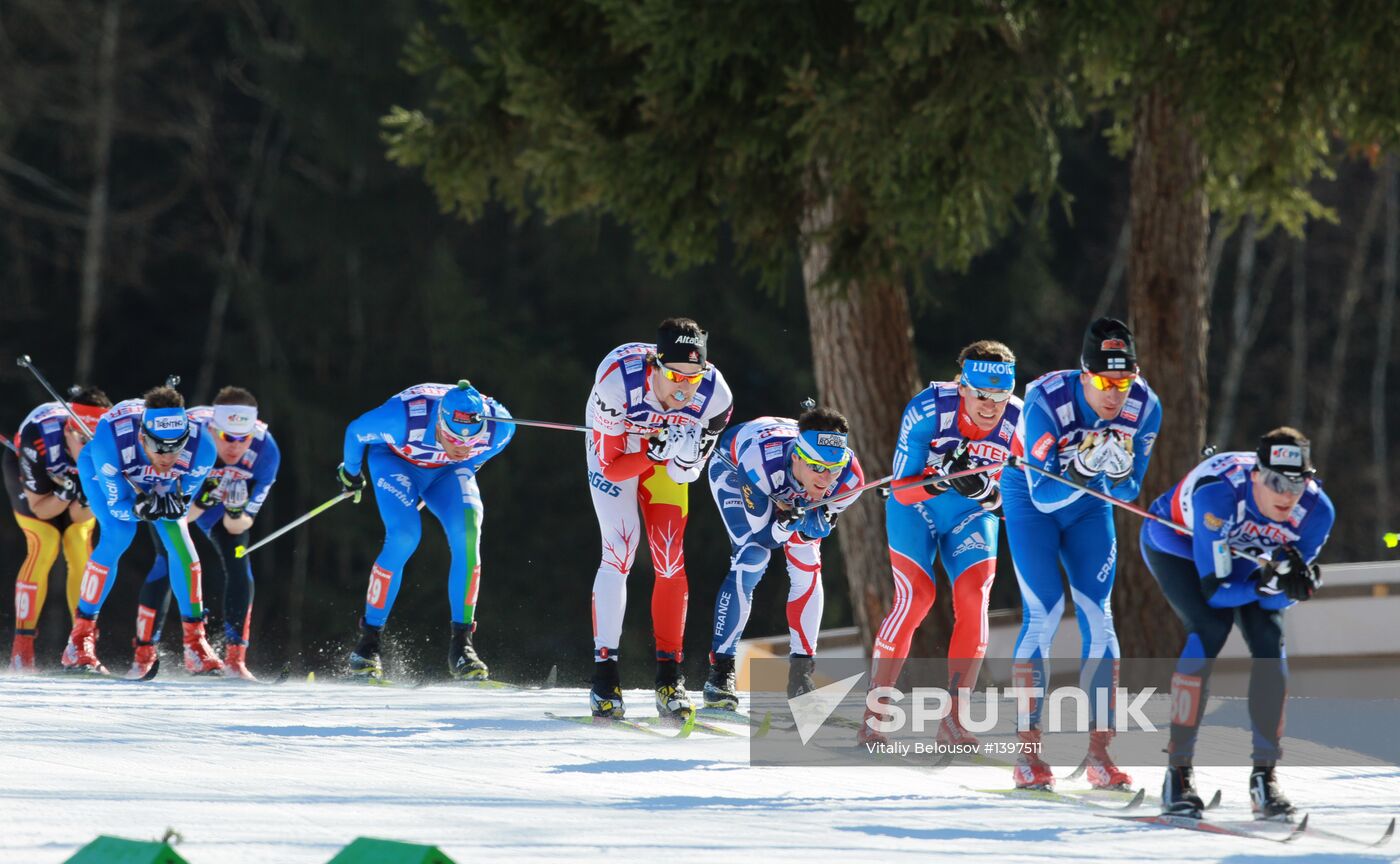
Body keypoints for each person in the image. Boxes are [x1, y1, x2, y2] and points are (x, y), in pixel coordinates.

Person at [1002, 317, 1162, 790]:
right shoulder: (1045, 400)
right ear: (1083, 373)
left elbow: (1130, 488)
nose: (1115, 395)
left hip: (1090, 508)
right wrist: (1088, 471)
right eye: (1102, 382)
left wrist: (1110, 474)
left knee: (1099, 614)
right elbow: (1045, 494)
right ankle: (1027, 753)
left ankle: (1099, 753)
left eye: (1124, 382)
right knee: (1044, 613)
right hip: (1033, 502)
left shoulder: (1145, 405)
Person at [1142, 428, 1332, 821]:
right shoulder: (1219, 494)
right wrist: (1269, 583)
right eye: (1277, 482)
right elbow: (1215, 592)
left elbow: (1282, 593)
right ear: (1256, 476)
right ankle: (1177, 774)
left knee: (1270, 639)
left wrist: (1291, 587)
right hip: (1176, 542)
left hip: (1242, 556)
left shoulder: (1317, 511)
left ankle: (1265, 777)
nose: (1286, 495)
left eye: (1298, 483)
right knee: (1209, 628)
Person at [861, 341, 1022, 746]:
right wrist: (944, 480)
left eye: (1001, 396)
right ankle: (874, 716)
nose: (991, 406)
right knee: (916, 597)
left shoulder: (1020, 421)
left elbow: (1021, 505)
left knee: (973, 596)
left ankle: (954, 720)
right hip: (917, 510)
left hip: (971, 515)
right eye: (982, 395)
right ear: (963, 387)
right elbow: (900, 491)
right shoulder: (929, 410)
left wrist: (988, 494)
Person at [585, 317, 733, 720]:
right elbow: (612, 467)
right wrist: (652, 450)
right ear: (655, 366)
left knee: (668, 553)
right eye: (674, 375)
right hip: (623, 446)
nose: (685, 387)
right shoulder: (617, 384)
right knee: (620, 547)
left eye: (694, 376)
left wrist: (683, 456)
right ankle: (605, 676)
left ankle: (670, 675)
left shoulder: (715, 399)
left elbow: (688, 472)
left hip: (664, 450)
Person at [337, 380, 514, 681]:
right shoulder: (403, 418)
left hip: (446, 473)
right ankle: (367, 644)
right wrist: (351, 473)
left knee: (468, 533)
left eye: (470, 441)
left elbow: (477, 457)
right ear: (440, 423)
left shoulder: (501, 426)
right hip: (396, 462)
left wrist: (463, 462)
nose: (462, 447)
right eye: (454, 438)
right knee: (405, 536)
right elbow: (356, 430)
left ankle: (462, 647)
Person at [702, 406, 865, 709]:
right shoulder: (758, 464)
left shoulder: (851, 479)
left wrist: (811, 526)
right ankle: (720, 672)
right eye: (817, 467)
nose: (827, 478)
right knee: (752, 558)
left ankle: (801, 675)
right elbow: (764, 536)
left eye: (834, 468)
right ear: (797, 457)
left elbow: (818, 522)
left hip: (788, 488)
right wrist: (784, 525)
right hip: (734, 468)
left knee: (806, 561)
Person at [66, 385, 222, 675]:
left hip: (154, 484)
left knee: (179, 538)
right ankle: (79, 640)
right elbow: (117, 507)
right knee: (118, 534)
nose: (168, 455)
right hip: (108, 474)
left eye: (177, 445)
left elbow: (180, 503)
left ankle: (195, 644)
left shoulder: (202, 447)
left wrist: (175, 504)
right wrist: (138, 509)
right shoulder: (110, 443)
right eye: (160, 446)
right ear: (142, 436)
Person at [129, 387, 281, 680]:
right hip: (178, 503)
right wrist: (201, 500)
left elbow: (241, 525)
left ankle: (235, 659)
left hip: (218, 511)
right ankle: (143, 654)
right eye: (226, 437)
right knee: (168, 559)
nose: (234, 447)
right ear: (212, 427)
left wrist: (236, 512)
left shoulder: (267, 451)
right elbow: (176, 515)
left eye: (243, 438)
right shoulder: (190, 438)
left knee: (240, 559)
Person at [3, 387, 111, 670]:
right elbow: (41, 507)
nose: (88, 447)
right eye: (81, 439)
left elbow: (77, 518)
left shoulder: (107, 449)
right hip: (34, 481)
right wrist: (64, 493)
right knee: (45, 543)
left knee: (78, 544)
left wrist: (85, 494)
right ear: (67, 430)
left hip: (67, 487)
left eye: (94, 440)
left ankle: (81, 644)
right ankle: (22, 649)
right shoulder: (38, 439)